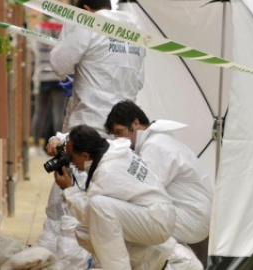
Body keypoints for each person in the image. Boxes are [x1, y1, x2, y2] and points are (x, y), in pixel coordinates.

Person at [105, 100, 214, 268]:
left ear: (136, 124)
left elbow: (140, 193)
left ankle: (184, 264)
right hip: (192, 215)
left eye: (120, 133)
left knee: (127, 217)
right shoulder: (158, 141)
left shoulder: (156, 146)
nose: (120, 140)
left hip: (193, 218)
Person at [53, 125, 176, 270]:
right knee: (85, 232)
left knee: (98, 205)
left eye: (71, 156)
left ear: (85, 156)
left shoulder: (107, 171)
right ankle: (152, 257)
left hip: (156, 221)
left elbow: (88, 213)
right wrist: (59, 140)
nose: (70, 162)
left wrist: (69, 189)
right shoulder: (113, 150)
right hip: (156, 214)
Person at [50, 0, 146, 136]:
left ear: (85, 10)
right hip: (124, 129)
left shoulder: (89, 25)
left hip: (89, 128)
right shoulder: (134, 32)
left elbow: (59, 64)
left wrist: (71, 27)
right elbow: (138, 82)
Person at [30, 14, 69, 148]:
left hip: (42, 75)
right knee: (58, 112)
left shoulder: (38, 29)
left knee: (40, 111)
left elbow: (34, 50)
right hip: (59, 77)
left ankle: (35, 144)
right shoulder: (64, 29)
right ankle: (60, 143)